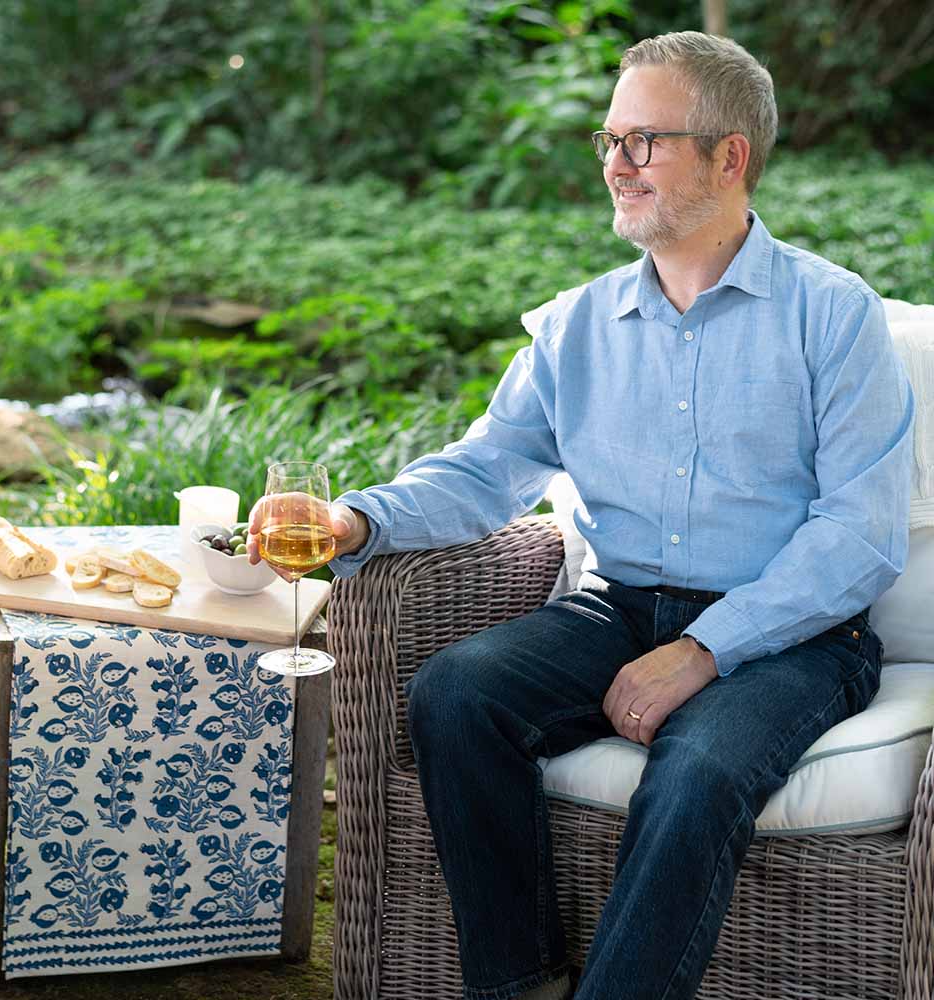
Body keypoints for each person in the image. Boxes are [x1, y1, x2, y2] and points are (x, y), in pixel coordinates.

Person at [249, 30, 915, 1000]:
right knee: (456, 692)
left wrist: (705, 649)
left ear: (729, 156)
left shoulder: (833, 316)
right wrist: (353, 520)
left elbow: (860, 535)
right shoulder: (575, 324)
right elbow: (484, 472)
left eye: (643, 141)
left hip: (797, 636)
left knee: (694, 773)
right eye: (607, 139)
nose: (614, 163)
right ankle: (516, 981)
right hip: (620, 608)